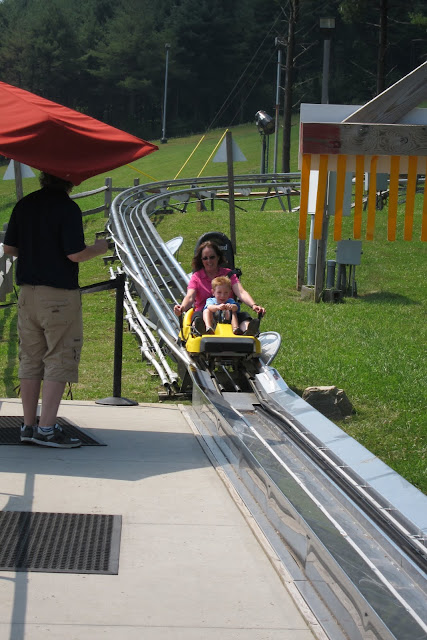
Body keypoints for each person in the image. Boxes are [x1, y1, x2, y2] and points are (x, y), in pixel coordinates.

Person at [3, 172, 108, 448]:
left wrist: (35, 252)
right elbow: (75, 254)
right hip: (59, 296)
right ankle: (47, 429)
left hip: (28, 294)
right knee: (59, 357)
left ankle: (28, 425)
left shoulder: (25, 204)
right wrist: (100, 248)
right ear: (69, 179)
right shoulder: (67, 208)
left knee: (30, 358)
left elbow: (10, 247)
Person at [173, 240, 265, 335]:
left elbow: (241, 292)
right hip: (204, 313)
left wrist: (254, 305)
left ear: (218, 257)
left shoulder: (228, 274)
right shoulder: (197, 277)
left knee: (244, 316)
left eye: (212, 257)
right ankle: (202, 330)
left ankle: (247, 332)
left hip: (227, 313)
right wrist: (182, 308)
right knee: (198, 316)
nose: (209, 261)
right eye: (205, 258)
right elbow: (190, 297)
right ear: (201, 260)